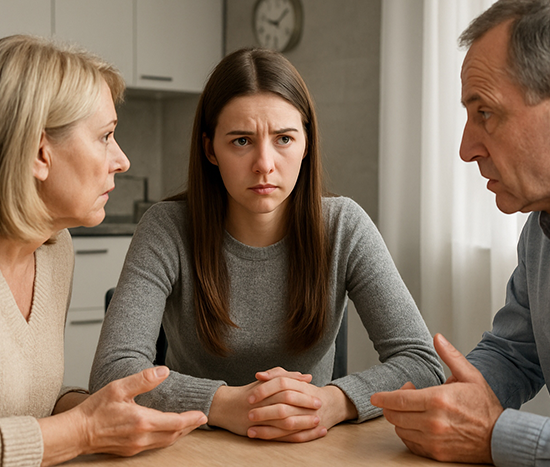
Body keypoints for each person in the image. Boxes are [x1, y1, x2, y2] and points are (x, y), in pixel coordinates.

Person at [89, 47, 445, 443]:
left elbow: (422, 363)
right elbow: (113, 372)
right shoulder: (166, 228)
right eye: (241, 140)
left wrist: (333, 401)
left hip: (307, 445)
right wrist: (224, 404)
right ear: (210, 150)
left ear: (306, 143)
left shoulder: (345, 225)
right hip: (191, 446)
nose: (264, 163)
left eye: (284, 138)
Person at [371, 0, 550, 465]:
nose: (465, 148)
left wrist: (499, 437)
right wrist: (448, 403)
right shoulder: (547, 217)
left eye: (486, 113)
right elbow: (515, 352)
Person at [0, 35, 207, 467]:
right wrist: (83, 431)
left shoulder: (54, 248)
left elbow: (22, 407)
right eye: (106, 136)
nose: (122, 160)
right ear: (38, 152)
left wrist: (97, 410)